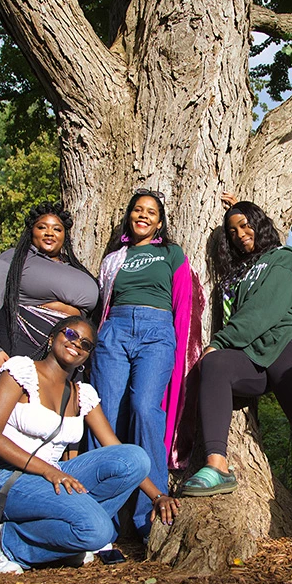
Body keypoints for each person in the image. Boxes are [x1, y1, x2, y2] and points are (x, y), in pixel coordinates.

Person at [0, 316, 180, 574]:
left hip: (54, 477)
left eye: (86, 344)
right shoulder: (21, 371)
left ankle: (70, 539)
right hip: (8, 478)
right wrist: (49, 471)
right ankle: (11, 542)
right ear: (52, 338)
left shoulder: (82, 394)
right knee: (100, 530)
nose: (77, 344)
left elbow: (116, 449)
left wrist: (158, 496)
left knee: (135, 457)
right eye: (71, 334)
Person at [179, 200, 292, 506]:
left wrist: (221, 340)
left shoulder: (284, 257)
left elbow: (264, 309)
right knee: (215, 364)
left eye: (246, 225)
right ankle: (217, 465)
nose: (240, 234)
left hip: (286, 348)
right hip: (251, 358)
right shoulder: (242, 270)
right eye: (232, 231)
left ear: (260, 222)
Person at [90, 188, 202, 538]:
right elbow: (102, 304)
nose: (143, 215)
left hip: (156, 332)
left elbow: (184, 302)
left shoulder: (171, 253)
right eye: (138, 210)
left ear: (159, 222)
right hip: (115, 330)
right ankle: (99, 515)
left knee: (143, 408)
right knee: (105, 412)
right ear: (129, 216)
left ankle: (147, 514)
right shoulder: (114, 258)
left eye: (151, 212)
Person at [0, 202, 99, 381]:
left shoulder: (75, 268)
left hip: (70, 351)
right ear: (31, 231)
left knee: (62, 408)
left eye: (57, 229)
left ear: (65, 236)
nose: (49, 233)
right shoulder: (14, 258)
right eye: (42, 227)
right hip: (24, 343)